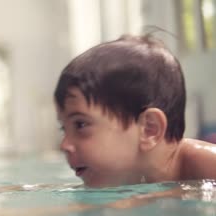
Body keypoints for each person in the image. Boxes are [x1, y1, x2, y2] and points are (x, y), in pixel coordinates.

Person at [54, 34, 216, 188]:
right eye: (64, 128)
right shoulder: (131, 176)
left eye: (80, 124)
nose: (64, 145)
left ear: (149, 129)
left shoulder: (207, 166)